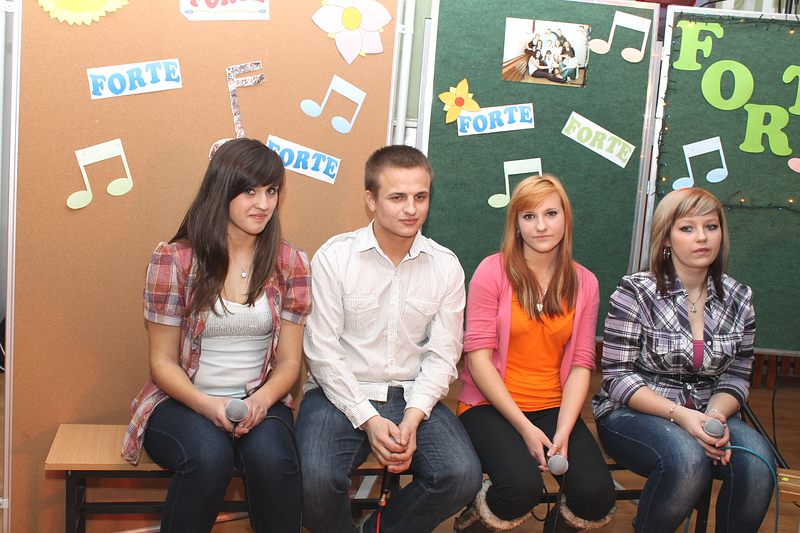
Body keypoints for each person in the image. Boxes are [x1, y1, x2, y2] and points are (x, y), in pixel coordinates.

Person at [121, 138, 311, 532]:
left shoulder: (290, 261)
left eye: (271, 190)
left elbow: (290, 361)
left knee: (275, 461)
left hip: (260, 398)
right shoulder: (175, 259)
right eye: (249, 191)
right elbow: (161, 363)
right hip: (183, 401)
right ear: (221, 190)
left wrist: (261, 401)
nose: (263, 203)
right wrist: (208, 406)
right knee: (209, 458)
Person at [296, 145, 482, 533]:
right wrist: (368, 419)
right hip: (339, 393)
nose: (411, 209)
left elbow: (443, 354)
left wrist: (413, 417)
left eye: (420, 197)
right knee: (314, 482)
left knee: (462, 475)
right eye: (397, 197)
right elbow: (322, 351)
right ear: (371, 200)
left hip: (412, 394)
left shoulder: (446, 266)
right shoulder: (335, 257)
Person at [593, 187, 775, 533]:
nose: (702, 237)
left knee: (758, 463)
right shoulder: (635, 291)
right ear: (666, 238)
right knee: (687, 461)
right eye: (687, 228)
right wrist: (683, 417)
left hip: (708, 411)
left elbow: (736, 377)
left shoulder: (739, 297)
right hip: (633, 412)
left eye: (711, 226)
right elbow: (617, 377)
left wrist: (714, 416)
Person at [454, 176, 616, 532]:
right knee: (521, 487)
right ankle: (471, 523)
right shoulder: (492, 271)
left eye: (551, 214)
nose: (541, 226)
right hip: (489, 405)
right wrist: (526, 429)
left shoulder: (585, 282)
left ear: (566, 218)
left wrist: (564, 430)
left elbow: (581, 365)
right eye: (529, 216)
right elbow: (478, 361)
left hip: (554, 406)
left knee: (596, 494)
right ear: (516, 223)